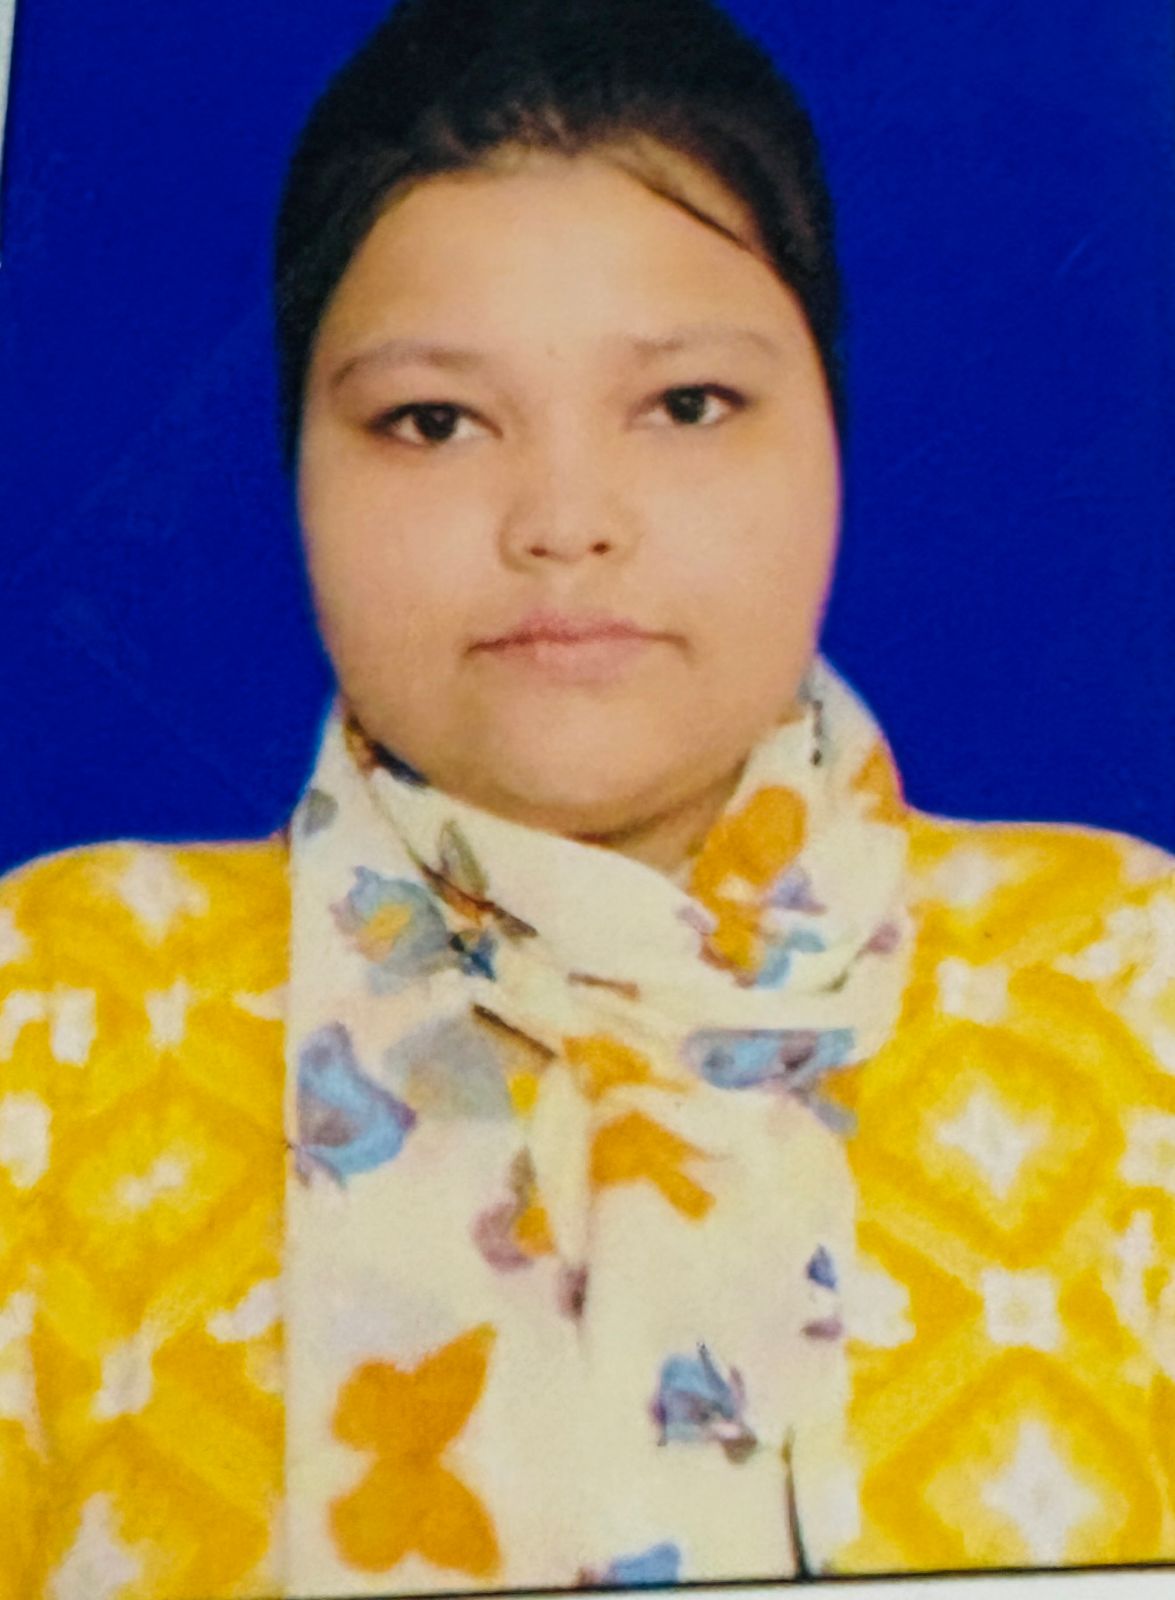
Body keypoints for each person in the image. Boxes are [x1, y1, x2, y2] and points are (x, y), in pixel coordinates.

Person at [1, 0, 1172, 1594]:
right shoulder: (56, 1011)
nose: (562, 520)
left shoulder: (1131, 980)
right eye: (433, 421)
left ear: (832, 433)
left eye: (685, 405)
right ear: (298, 466)